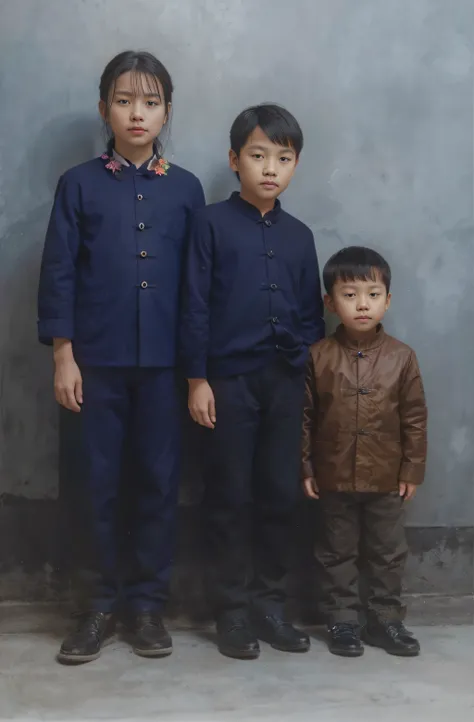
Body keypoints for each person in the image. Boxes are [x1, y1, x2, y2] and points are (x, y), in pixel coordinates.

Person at [38, 50, 205, 664]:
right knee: (95, 486)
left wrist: (196, 373)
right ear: (104, 105)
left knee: (158, 485)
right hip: (95, 365)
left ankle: (146, 606)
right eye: (125, 99)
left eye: (151, 101)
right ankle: (98, 606)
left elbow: (196, 286)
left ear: (166, 112)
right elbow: (58, 273)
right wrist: (63, 355)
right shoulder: (78, 184)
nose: (138, 113)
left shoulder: (185, 189)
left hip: (165, 368)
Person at [180, 104, 325, 659]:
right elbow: (193, 306)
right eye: (258, 155)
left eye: (282, 158)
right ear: (234, 159)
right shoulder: (211, 224)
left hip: (285, 383)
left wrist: (301, 372)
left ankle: (271, 607)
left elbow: (311, 313)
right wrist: (198, 378)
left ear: (295, 166)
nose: (270, 168)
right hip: (227, 382)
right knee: (229, 496)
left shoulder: (300, 235)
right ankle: (232, 612)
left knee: (277, 495)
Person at [302, 246, 427, 658]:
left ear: (387, 301)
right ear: (330, 303)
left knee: (388, 552)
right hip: (333, 474)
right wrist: (305, 465)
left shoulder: (402, 357)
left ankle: (385, 620)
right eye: (350, 294)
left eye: (373, 294)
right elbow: (304, 417)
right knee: (336, 550)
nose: (362, 304)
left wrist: (411, 469)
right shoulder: (318, 356)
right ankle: (342, 621)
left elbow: (414, 417)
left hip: (387, 477)